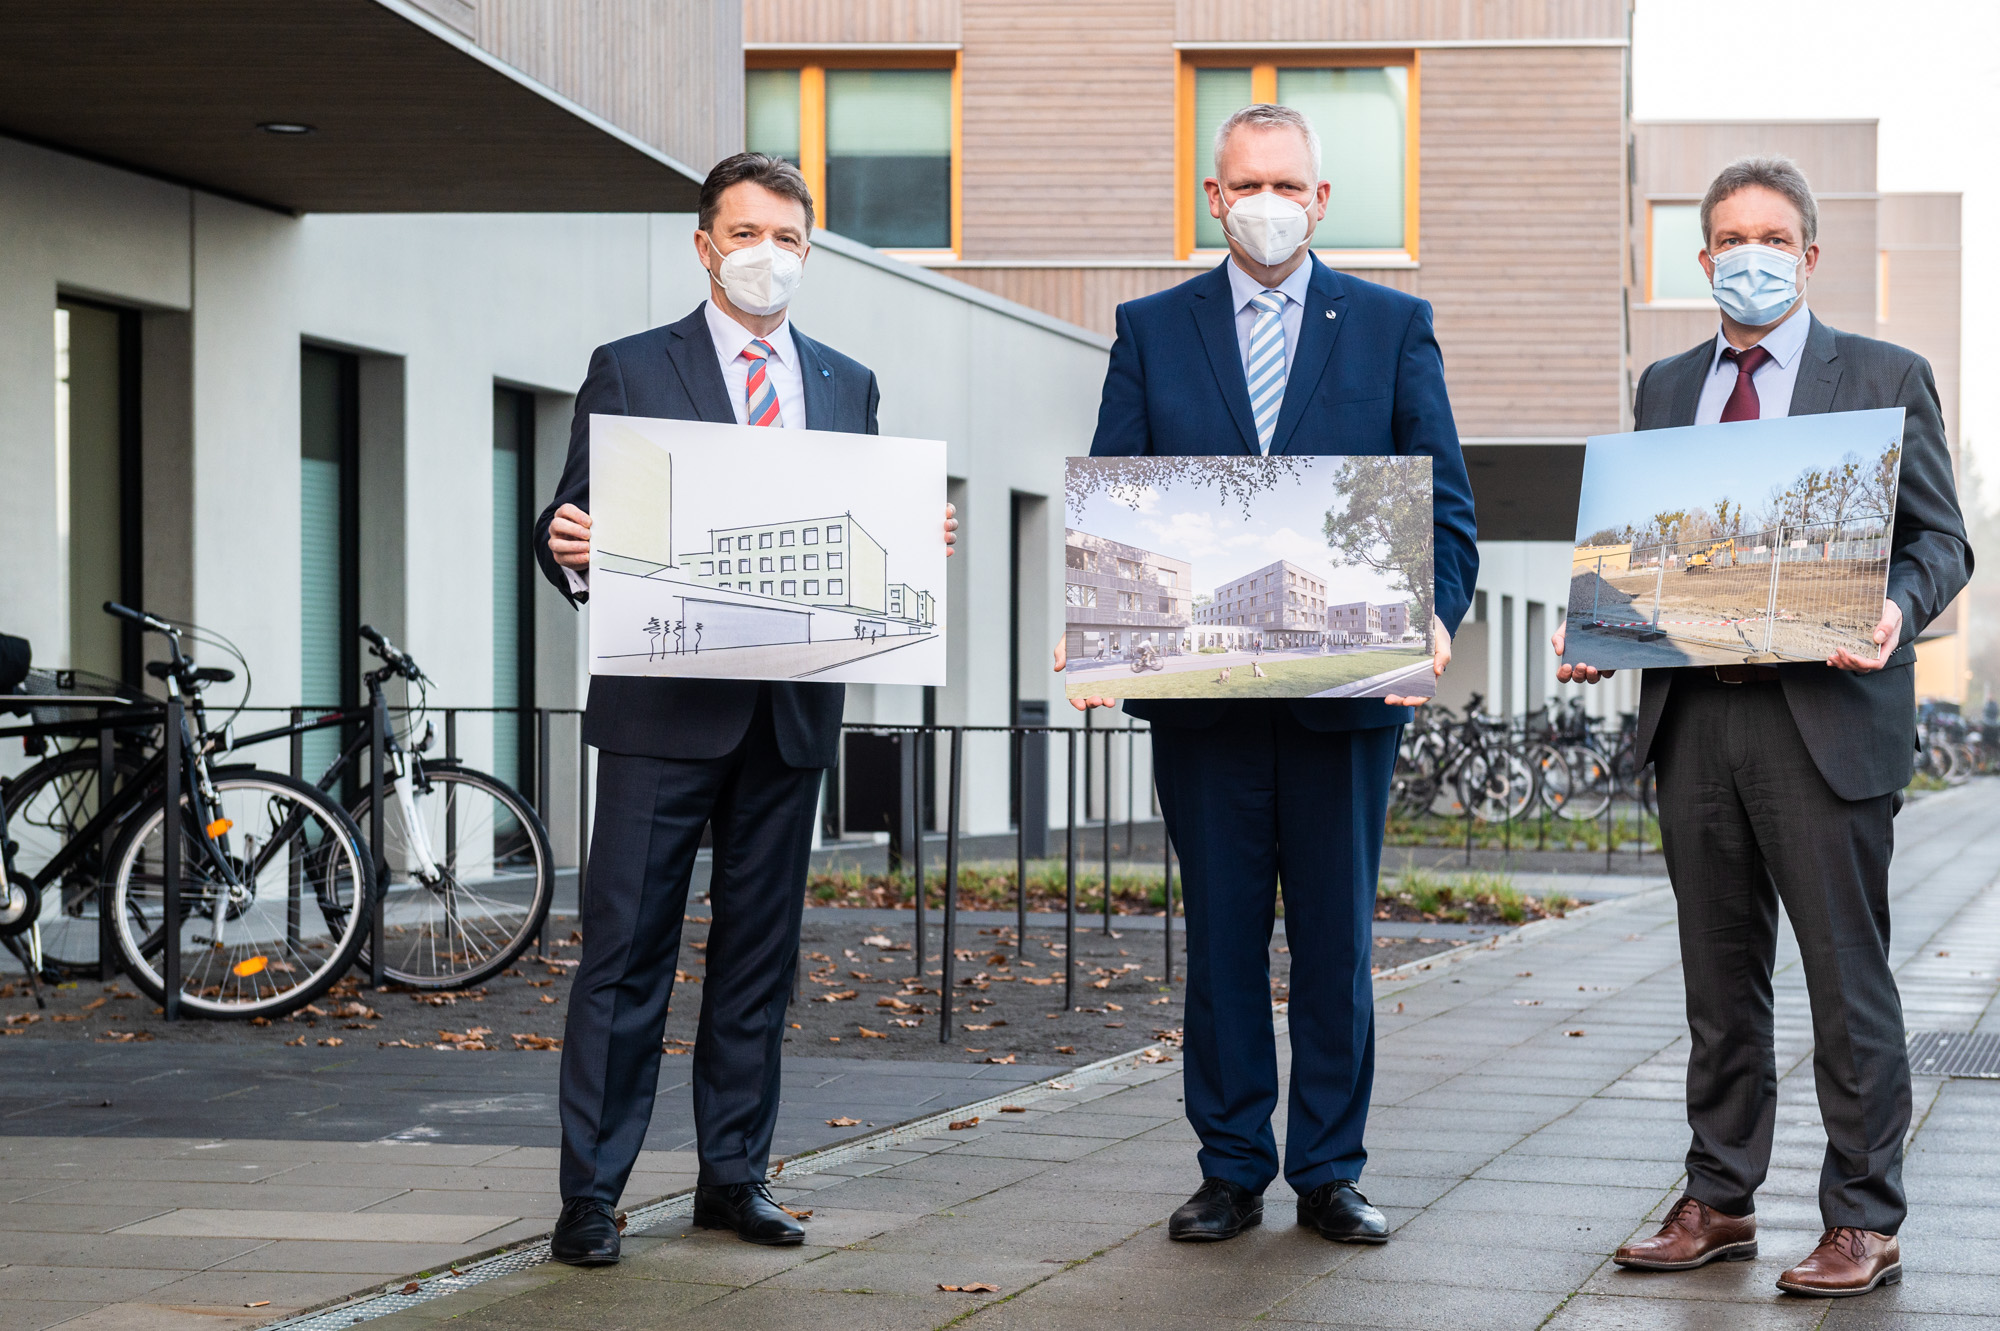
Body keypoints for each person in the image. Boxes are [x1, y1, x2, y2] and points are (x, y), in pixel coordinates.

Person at [1555, 157, 1970, 1298]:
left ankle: (1860, 1216)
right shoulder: (1663, 383)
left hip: (1824, 720)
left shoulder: (1885, 375)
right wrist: (1604, 621)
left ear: (1807, 255)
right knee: (1716, 979)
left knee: (1846, 982)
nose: (1750, 256)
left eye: (1772, 239)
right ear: (1701, 260)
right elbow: (1649, 551)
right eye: (1729, 238)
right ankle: (1719, 1197)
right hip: (1694, 721)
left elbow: (1942, 541)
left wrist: (1893, 605)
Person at [1062, 103, 1478, 1244]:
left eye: (1288, 185)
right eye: (1246, 184)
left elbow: (1442, 505)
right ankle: (1231, 1164)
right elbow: (1119, 497)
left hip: (1349, 700)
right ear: (1213, 198)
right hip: (1203, 704)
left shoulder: (1391, 325)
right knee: (1223, 937)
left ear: (1321, 200)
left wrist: (1436, 617)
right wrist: (1097, 620)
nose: (1268, 204)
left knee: (1337, 941)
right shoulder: (1151, 329)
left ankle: (1330, 1168)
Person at [535, 152, 956, 1266]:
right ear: (705, 243)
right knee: (625, 954)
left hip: (785, 717)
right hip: (658, 713)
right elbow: (567, 519)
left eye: (789, 238)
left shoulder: (846, 382)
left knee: (758, 959)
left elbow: (856, 534)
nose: (768, 254)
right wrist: (564, 542)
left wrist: (917, 537)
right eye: (748, 232)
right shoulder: (628, 367)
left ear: (808, 253)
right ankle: (591, 1194)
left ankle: (734, 1175)